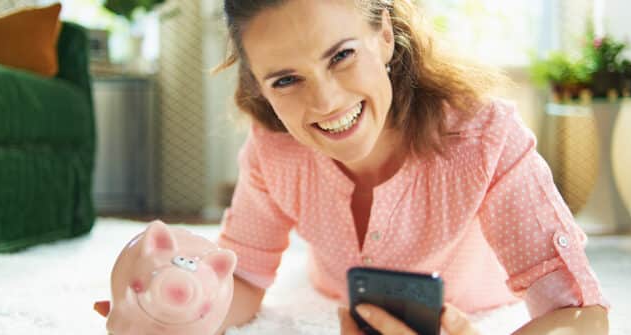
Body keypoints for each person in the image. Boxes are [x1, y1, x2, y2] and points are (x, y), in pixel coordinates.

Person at [214, 0, 610, 334]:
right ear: (258, 86)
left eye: (341, 55)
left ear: (384, 35)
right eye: (285, 80)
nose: (326, 101)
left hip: (481, 302)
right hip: (329, 292)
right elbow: (241, 278)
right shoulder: (273, 149)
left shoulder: (485, 138)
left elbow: (580, 313)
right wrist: (169, 305)